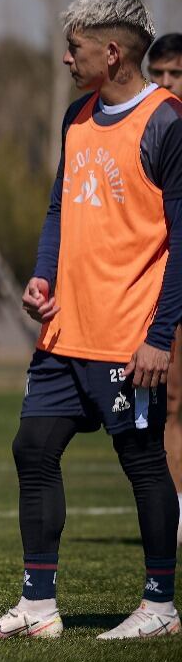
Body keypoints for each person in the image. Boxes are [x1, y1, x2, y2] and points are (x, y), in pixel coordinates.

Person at [0, 0, 182, 641]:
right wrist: (41, 275)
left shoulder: (168, 123)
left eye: (75, 48)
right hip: (65, 331)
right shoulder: (76, 116)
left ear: (111, 52)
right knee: (33, 448)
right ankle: (36, 607)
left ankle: (159, 605)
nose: (65, 58)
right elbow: (61, 207)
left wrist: (159, 336)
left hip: (127, 335)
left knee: (142, 461)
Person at [148, 32, 182, 548]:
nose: (165, 85)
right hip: (169, 284)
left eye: (175, 75)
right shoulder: (153, 132)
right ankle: (175, 514)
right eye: (158, 75)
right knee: (172, 402)